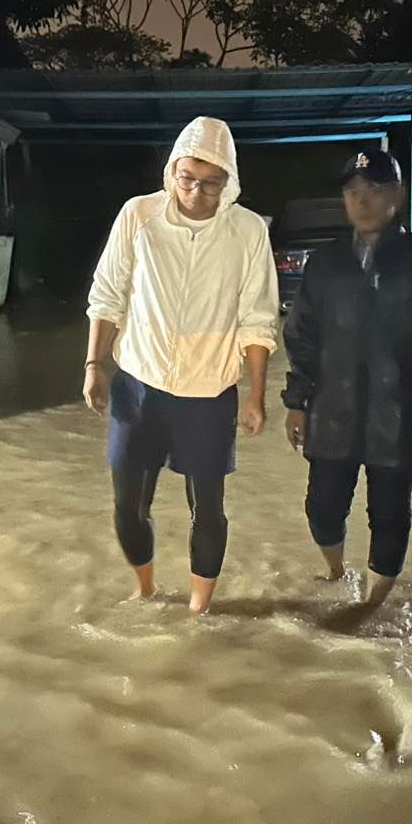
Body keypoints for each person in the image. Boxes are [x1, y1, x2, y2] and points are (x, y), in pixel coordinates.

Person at [84, 116, 279, 614]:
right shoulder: (139, 215)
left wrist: (256, 395)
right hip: (138, 383)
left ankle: (199, 614)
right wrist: (93, 364)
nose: (196, 192)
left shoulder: (248, 231)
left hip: (208, 392)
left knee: (208, 510)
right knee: (127, 506)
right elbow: (108, 293)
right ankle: (146, 590)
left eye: (211, 183)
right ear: (172, 170)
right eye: (187, 178)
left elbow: (257, 318)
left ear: (228, 181)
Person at [282, 150, 412, 605]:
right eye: (353, 192)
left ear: (398, 196)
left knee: (390, 515)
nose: (362, 200)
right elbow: (301, 334)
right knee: (322, 508)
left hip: (399, 412)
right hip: (333, 409)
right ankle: (335, 572)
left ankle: (373, 605)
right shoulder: (326, 262)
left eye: (374, 189)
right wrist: (296, 402)